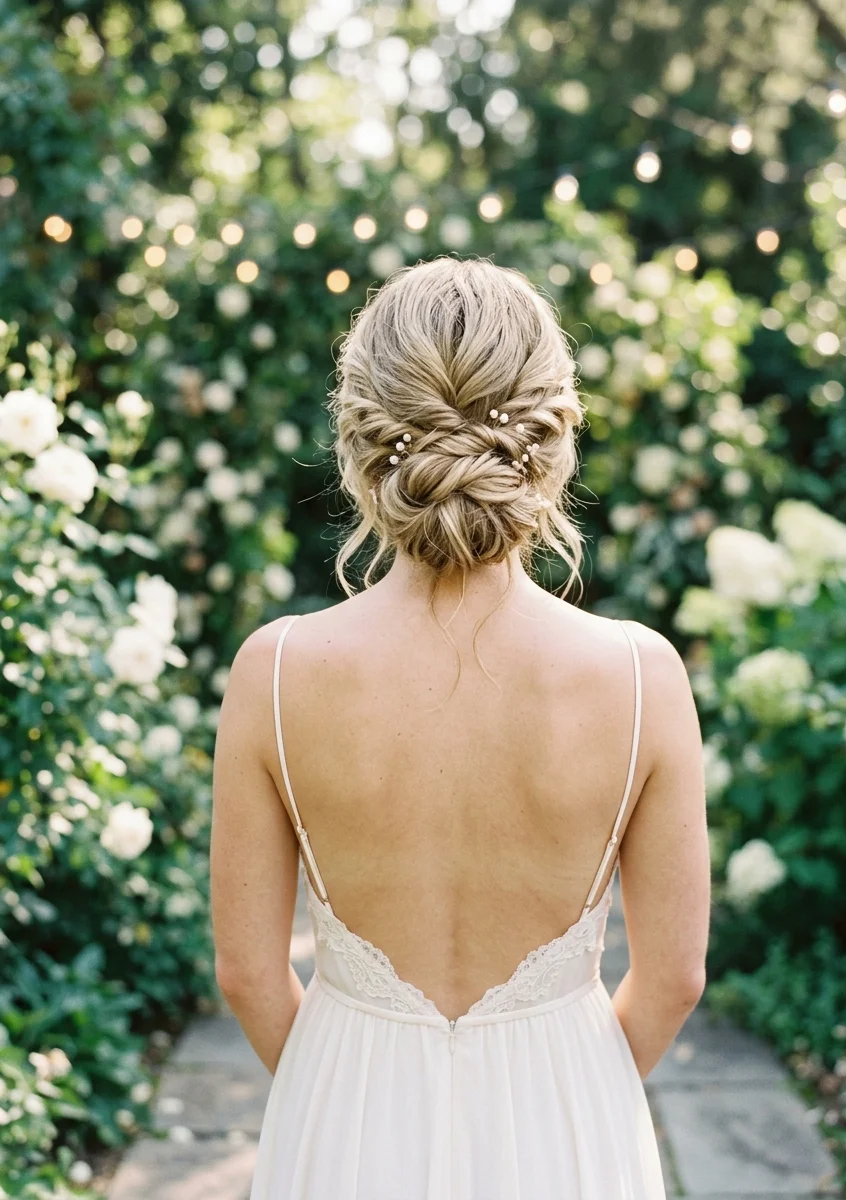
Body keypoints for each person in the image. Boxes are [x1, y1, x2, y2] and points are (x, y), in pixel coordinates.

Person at [211, 256, 710, 1199]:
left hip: (344, 1116)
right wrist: (571, 1095)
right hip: (568, 1122)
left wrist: (340, 1095)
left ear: (361, 437)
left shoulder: (273, 673)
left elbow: (247, 972)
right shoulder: (642, 677)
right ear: (553, 438)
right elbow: (675, 975)